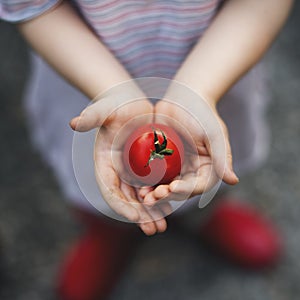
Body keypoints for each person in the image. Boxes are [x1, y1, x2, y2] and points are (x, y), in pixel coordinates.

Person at [0, 0, 294, 299]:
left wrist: (199, 88)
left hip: (219, 66)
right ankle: (109, 232)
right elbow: (34, 8)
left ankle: (205, 213)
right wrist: (113, 90)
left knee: (212, 161)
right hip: (84, 77)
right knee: (98, 182)